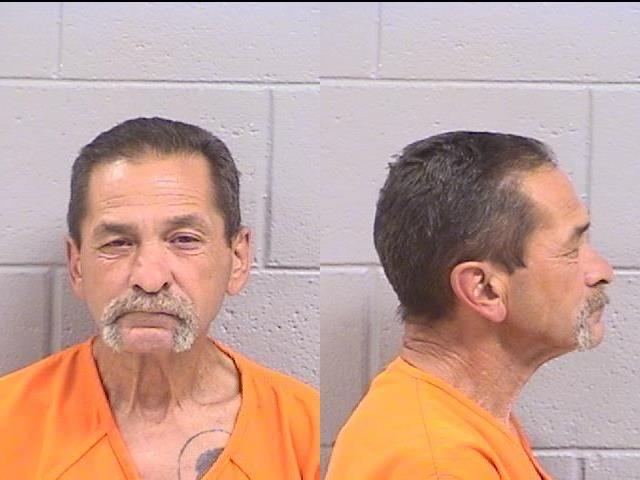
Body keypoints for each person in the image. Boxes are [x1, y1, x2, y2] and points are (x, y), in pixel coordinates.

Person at [0, 117, 319, 480]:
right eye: (117, 243)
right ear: (76, 266)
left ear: (238, 259)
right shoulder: (8, 421)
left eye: (184, 240)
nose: (150, 279)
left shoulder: (303, 430)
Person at [326, 131, 613, 479]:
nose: (602, 271)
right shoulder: (435, 464)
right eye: (571, 249)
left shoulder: (466, 417)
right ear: (484, 289)